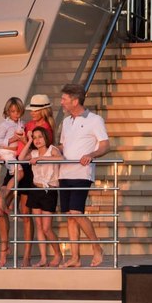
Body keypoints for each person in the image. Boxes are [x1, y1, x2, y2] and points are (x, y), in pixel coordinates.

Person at [58, 83, 108, 268]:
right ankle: (75, 258)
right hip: (64, 172)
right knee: (70, 216)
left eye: (64, 99)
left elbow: (105, 144)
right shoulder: (65, 122)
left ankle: (97, 248)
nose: (61, 102)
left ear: (75, 100)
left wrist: (91, 155)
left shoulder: (95, 120)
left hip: (82, 173)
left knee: (76, 212)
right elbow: (64, 146)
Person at [5, 94, 57, 267]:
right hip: (23, 162)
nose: (32, 113)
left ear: (43, 110)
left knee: (33, 218)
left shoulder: (46, 129)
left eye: (35, 110)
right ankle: (5, 249)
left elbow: (44, 148)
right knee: (7, 207)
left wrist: (25, 140)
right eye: (31, 110)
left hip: (33, 171)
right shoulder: (28, 125)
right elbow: (22, 148)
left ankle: (30, 255)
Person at [20, 127, 63, 268]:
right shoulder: (33, 152)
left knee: (46, 228)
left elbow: (61, 158)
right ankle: (43, 258)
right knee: (38, 226)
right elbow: (20, 158)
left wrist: (40, 158)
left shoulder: (52, 149)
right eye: (35, 137)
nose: (37, 140)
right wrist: (29, 141)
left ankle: (58, 253)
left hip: (48, 190)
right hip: (35, 189)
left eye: (40, 137)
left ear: (46, 137)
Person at [0, 97, 25, 268]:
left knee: (19, 175)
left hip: (21, 162)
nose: (15, 114)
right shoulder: (4, 125)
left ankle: (3, 195)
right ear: (7, 112)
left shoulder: (23, 124)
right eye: (12, 111)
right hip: (10, 158)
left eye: (17, 111)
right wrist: (12, 142)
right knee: (1, 211)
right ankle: (4, 251)